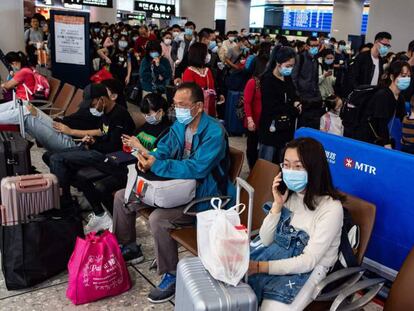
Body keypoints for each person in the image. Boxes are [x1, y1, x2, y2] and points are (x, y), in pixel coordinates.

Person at [112, 82, 235, 304]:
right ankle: (129, 246)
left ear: (198, 106)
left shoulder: (214, 132)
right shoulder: (180, 124)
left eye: (182, 105)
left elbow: (198, 169)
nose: (177, 109)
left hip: (203, 195)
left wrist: (158, 166)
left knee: (160, 219)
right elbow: (166, 148)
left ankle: (172, 275)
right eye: (175, 104)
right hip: (174, 187)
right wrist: (151, 158)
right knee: (122, 196)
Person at [248, 137, 344, 311]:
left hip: (310, 269)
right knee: (239, 293)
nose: (290, 171)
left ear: (314, 168)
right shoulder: (290, 196)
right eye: (286, 164)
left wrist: (260, 267)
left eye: (298, 166)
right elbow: (266, 239)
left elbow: (309, 260)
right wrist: (277, 205)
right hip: (279, 255)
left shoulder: (331, 208)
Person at [83, 93, 171, 233]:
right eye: (144, 114)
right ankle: (111, 218)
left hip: (143, 171)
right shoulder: (146, 125)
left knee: (101, 187)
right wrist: (128, 143)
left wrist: (138, 146)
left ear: (160, 111)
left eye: (149, 113)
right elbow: (133, 141)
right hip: (128, 163)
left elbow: (156, 158)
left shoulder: (167, 132)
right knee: (85, 176)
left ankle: (118, 223)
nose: (147, 117)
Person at [48, 83, 135, 210]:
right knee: (49, 156)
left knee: (57, 159)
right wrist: (91, 139)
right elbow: (102, 132)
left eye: (93, 105)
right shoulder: (105, 113)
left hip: (109, 157)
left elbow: (113, 147)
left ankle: (65, 205)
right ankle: (77, 196)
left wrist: (94, 144)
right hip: (96, 150)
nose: (92, 108)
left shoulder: (120, 116)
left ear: (102, 99)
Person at [258, 46, 300, 163]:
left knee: (282, 163)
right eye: (288, 66)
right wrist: (294, 110)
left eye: (292, 66)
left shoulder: (287, 78)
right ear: (278, 63)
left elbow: (293, 94)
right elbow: (272, 106)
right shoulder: (267, 80)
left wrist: (296, 101)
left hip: (285, 129)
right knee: (266, 163)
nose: (290, 69)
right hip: (270, 129)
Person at [362, 61, 410, 147]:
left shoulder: (400, 97)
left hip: (380, 138)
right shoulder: (383, 95)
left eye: (409, 76)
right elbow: (381, 123)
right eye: (403, 76)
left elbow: (402, 117)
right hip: (368, 139)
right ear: (392, 77)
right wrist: (387, 143)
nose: (407, 79)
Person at [292, 36, 322, 102]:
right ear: (307, 46)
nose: (315, 47)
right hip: (302, 96)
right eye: (313, 45)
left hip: (313, 96)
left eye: (317, 45)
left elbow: (316, 79)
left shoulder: (316, 60)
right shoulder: (300, 58)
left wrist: (318, 94)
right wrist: (297, 95)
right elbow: (294, 78)